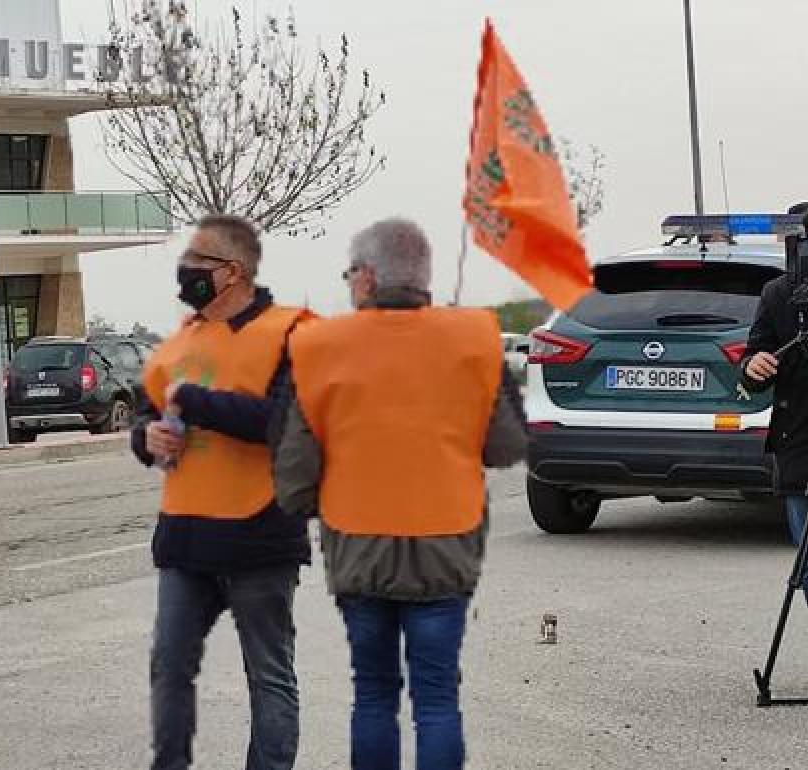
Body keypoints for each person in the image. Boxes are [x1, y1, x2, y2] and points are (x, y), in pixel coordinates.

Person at [274, 218, 526, 770]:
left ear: (366, 278)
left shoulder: (317, 346)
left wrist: (321, 500)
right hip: (447, 545)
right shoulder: (476, 338)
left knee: (373, 695)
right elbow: (506, 446)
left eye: (348, 273)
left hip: (358, 547)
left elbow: (294, 474)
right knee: (437, 699)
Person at [131, 214, 313, 770]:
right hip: (186, 541)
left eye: (196, 261)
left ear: (232, 271)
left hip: (259, 538)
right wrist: (148, 436)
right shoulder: (181, 338)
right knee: (169, 667)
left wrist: (199, 403)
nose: (185, 270)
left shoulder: (291, 332)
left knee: (269, 675)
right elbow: (146, 413)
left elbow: (286, 422)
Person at [741, 203, 808, 583]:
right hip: (798, 441)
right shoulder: (778, 294)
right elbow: (753, 368)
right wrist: (754, 367)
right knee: (807, 567)